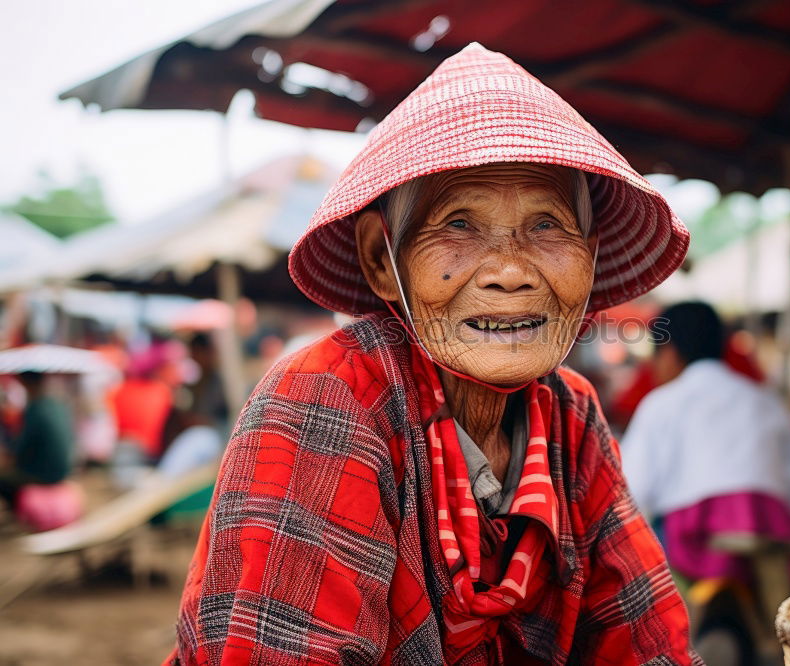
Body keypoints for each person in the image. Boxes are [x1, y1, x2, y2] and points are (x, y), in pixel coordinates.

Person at [166, 44, 701, 665]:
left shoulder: (570, 413)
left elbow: (646, 640)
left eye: (548, 225)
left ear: (592, 252)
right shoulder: (329, 395)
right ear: (380, 260)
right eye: (459, 224)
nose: (509, 271)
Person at [621, 302, 790, 583]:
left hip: (694, 543)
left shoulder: (661, 404)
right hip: (772, 535)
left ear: (669, 353)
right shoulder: (765, 400)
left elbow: (632, 492)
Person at [0, 372, 75, 509]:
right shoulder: (59, 405)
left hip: (43, 475)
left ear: (25, 383)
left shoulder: (35, 408)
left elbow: (20, 449)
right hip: (65, 471)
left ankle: (21, 517)